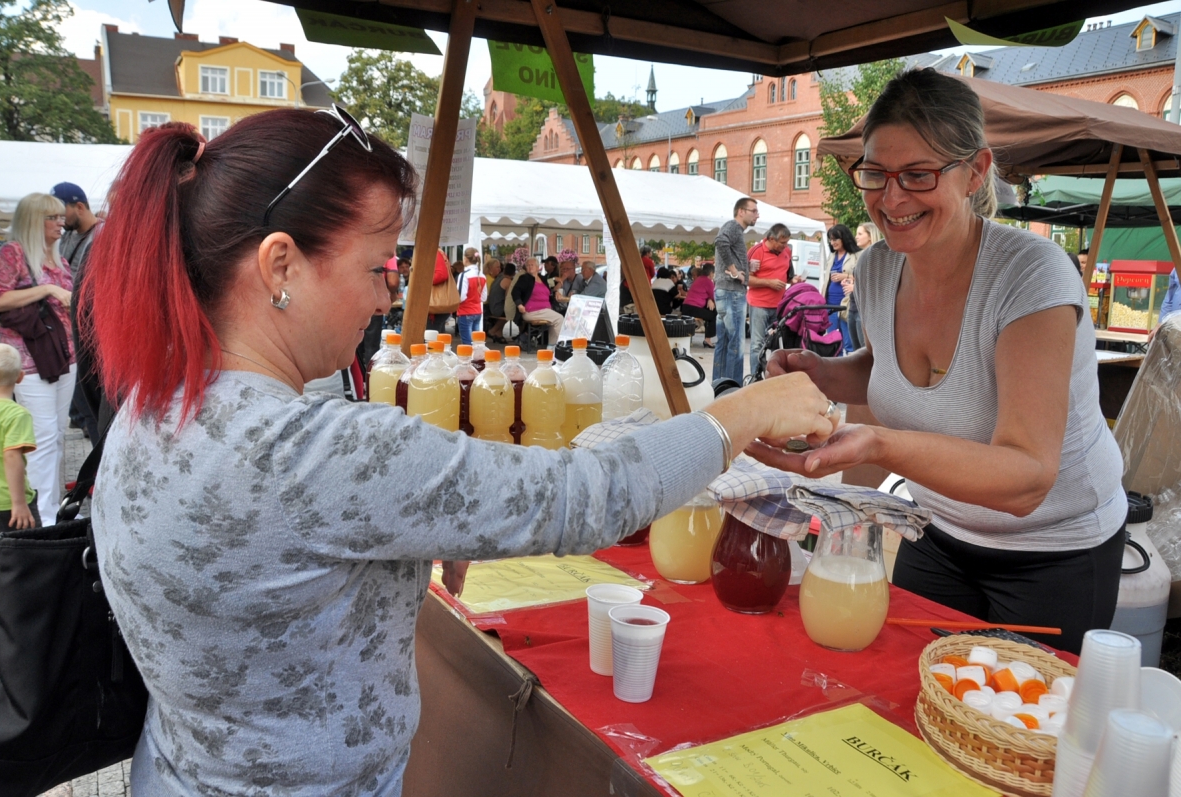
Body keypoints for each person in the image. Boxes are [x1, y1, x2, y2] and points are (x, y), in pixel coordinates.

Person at [81, 110, 838, 796]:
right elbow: (583, 493)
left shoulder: (152, 405)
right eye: (379, 267)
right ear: (281, 265)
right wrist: (743, 411)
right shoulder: (309, 449)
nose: (387, 298)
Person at [760, 68, 1126, 655]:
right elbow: (893, 373)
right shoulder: (876, 269)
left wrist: (878, 445)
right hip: (937, 529)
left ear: (975, 171)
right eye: (875, 174)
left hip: (1054, 550)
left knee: (1008, 729)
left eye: (919, 175)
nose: (892, 198)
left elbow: (1028, 477)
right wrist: (820, 370)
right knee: (904, 695)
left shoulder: (1030, 276)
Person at [0, 192, 76, 526]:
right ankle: (45, 517)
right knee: (42, 436)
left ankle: (51, 508)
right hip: (31, 357)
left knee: (57, 436)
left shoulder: (58, 257)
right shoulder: (14, 253)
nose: (60, 225)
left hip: (63, 355)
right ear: (33, 221)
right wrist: (48, 291)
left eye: (62, 218)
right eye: (53, 218)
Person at [51, 181, 105, 443]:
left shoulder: (103, 235)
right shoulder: (68, 236)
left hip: (90, 330)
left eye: (62, 212)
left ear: (80, 206)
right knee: (83, 406)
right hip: (68, 328)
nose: (60, 220)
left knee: (92, 404)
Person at [0, 343, 39, 563]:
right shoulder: (16, 415)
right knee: (24, 564)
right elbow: (12, 457)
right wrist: (19, 503)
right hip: (7, 503)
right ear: (20, 377)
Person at [713, 197, 758, 384]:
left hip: (725, 291)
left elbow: (724, 245)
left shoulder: (734, 229)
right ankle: (732, 389)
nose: (757, 214)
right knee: (736, 345)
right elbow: (720, 241)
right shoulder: (733, 227)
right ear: (741, 211)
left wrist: (746, 266)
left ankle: (719, 387)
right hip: (732, 292)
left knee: (723, 343)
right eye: (753, 210)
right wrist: (734, 271)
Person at [747, 223, 793, 371]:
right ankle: (756, 377)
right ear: (771, 239)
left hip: (779, 305)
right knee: (757, 344)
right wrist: (769, 283)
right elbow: (746, 279)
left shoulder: (786, 252)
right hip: (759, 305)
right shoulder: (756, 252)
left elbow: (787, 276)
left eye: (787, 242)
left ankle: (774, 376)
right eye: (782, 243)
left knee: (777, 344)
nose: (785, 246)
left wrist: (794, 279)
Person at [820, 224, 860, 354]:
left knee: (848, 342)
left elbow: (863, 277)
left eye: (835, 239)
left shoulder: (856, 254)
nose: (833, 243)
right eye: (831, 240)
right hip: (830, 304)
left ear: (844, 238)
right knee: (832, 340)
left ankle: (849, 368)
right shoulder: (832, 256)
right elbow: (826, 280)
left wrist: (846, 275)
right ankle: (834, 370)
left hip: (847, 303)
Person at [845, 221, 883, 350]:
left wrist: (855, 288)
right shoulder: (861, 256)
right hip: (854, 307)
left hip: (866, 311)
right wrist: (852, 282)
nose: (856, 237)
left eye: (860, 234)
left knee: (866, 352)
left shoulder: (877, 257)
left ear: (870, 236)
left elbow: (878, 285)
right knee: (856, 352)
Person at [512, 256, 565, 345]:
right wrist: (519, 304)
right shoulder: (524, 278)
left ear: (537, 267)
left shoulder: (542, 278)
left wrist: (556, 292)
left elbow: (551, 286)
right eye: (528, 265)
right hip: (531, 311)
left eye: (532, 265)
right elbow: (515, 292)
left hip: (545, 311)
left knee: (555, 321)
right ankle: (562, 345)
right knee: (559, 318)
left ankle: (552, 347)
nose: (530, 267)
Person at [455, 247, 488, 342]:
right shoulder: (482, 275)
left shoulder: (464, 275)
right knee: (476, 343)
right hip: (477, 311)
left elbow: (461, 296)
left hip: (465, 311)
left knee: (467, 343)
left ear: (465, 258)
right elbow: (484, 297)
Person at [681, 262, 717, 348]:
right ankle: (707, 340)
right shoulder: (708, 281)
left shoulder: (699, 279)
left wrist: (708, 299)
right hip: (693, 308)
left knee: (709, 311)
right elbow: (714, 297)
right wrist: (710, 299)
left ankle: (706, 338)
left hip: (686, 307)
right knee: (713, 314)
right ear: (711, 273)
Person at [487, 262, 515, 340]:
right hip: (497, 308)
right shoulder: (507, 281)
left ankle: (498, 333)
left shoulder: (498, 278)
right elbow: (508, 298)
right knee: (512, 312)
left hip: (491, 306)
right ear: (513, 273)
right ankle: (495, 332)